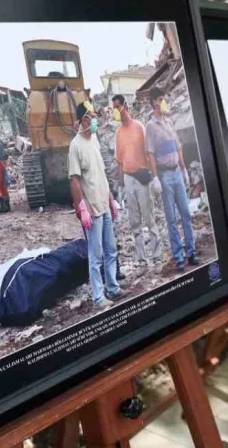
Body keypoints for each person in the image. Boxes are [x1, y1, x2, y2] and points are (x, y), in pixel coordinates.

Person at [69, 101, 121, 308]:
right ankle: (99, 297)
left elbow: (100, 173)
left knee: (111, 250)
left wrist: (110, 199)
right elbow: (74, 179)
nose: (95, 119)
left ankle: (113, 287)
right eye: (90, 116)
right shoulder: (75, 146)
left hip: (104, 204)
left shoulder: (94, 141)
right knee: (96, 255)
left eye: (94, 115)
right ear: (83, 120)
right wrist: (82, 207)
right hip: (92, 209)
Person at [145, 88, 197, 271]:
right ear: (154, 102)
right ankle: (179, 258)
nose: (164, 101)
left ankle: (191, 252)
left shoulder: (169, 122)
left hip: (176, 172)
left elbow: (178, 147)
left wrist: (184, 169)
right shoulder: (150, 126)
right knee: (172, 219)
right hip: (165, 175)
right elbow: (150, 154)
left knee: (185, 214)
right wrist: (155, 178)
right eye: (161, 98)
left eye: (164, 97)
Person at [112, 94, 160, 267]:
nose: (116, 111)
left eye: (118, 107)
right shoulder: (118, 133)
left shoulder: (139, 127)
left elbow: (149, 152)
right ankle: (141, 259)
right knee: (134, 221)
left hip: (142, 177)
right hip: (128, 177)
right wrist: (120, 186)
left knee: (149, 218)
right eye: (114, 108)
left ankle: (156, 256)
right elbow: (119, 161)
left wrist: (154, 177)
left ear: (125, 106)